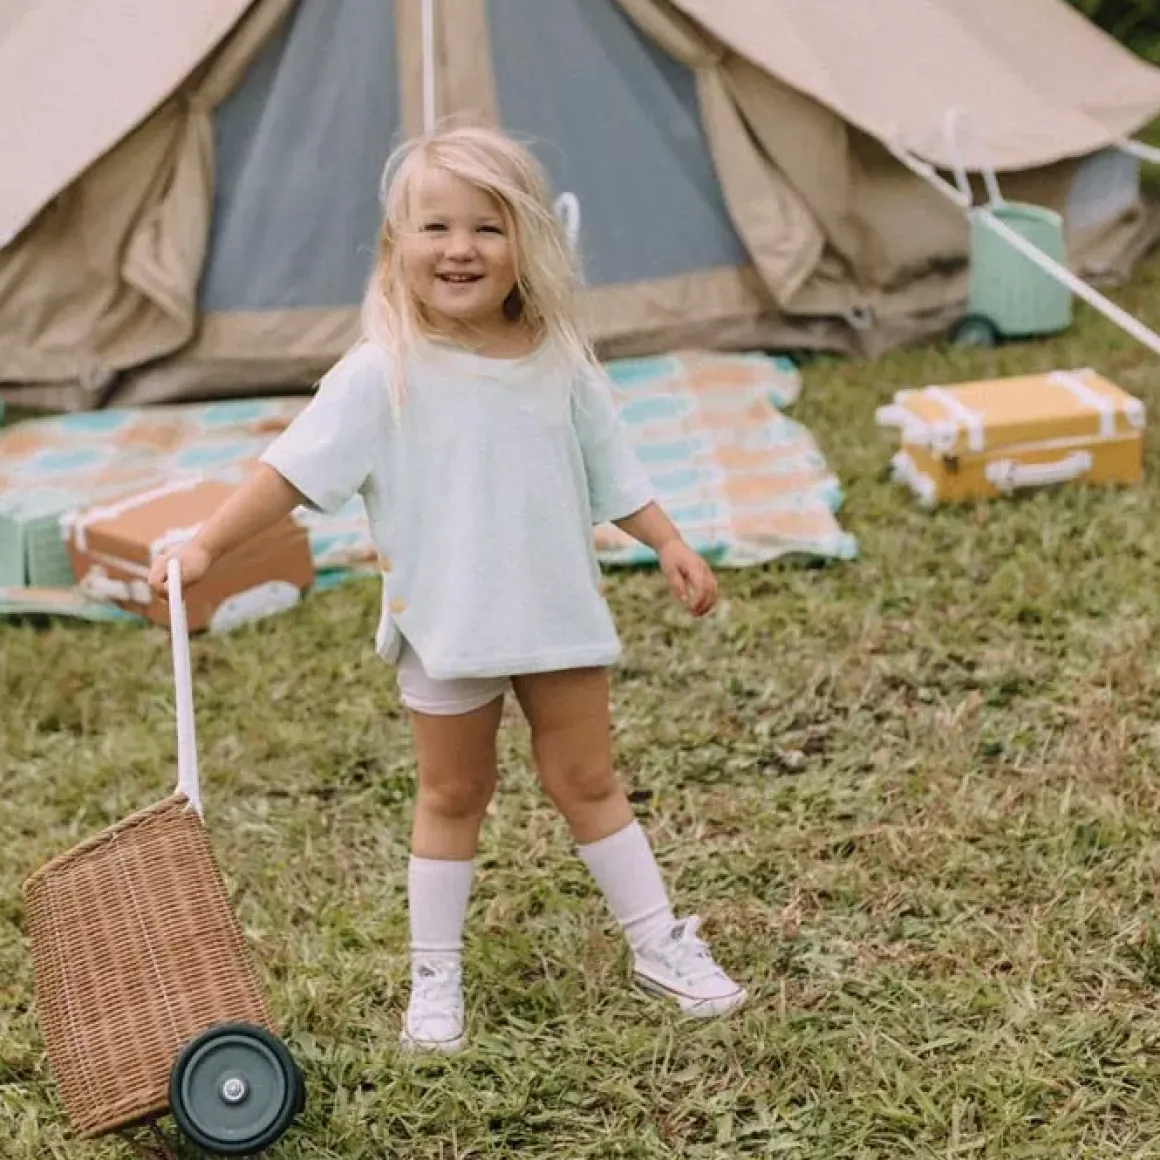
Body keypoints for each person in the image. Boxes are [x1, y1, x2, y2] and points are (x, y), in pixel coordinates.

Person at [149, 124, 746, 1054]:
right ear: (398, 246)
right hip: (447, 625)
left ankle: (658, 942)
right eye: (435, 227)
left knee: (588, 779)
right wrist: (204, 547)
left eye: (487, 228)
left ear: (527, 246)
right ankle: (436, 976)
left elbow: (612, 468)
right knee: (452, 794)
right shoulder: (381, 371)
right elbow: (292, 475)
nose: (460, 248)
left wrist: (666, 539)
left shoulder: (559, 359)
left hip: (556, 620)